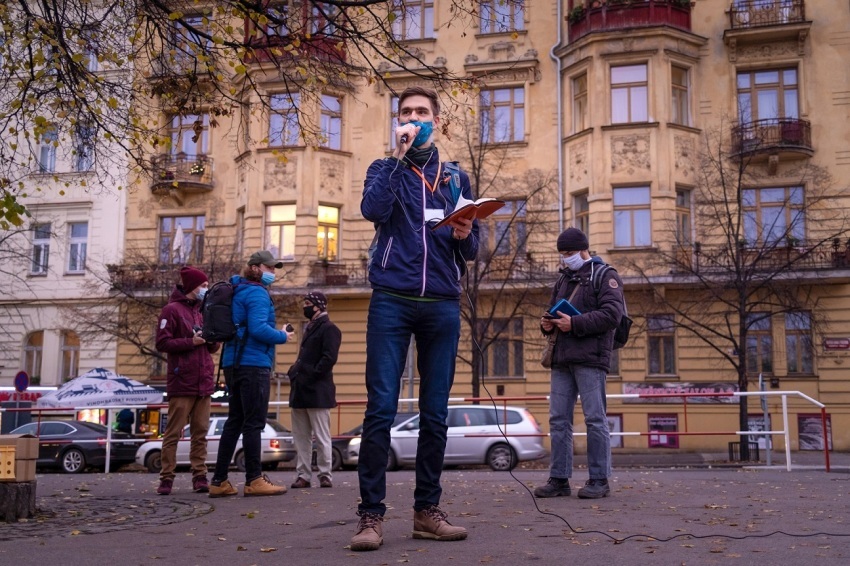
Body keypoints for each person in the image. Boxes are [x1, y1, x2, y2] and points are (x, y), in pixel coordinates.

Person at [352, 86, 477, 552]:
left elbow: (471, 248)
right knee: (381, 408)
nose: (414, 118)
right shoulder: (384, 169)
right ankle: (370, 516)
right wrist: (399, 160)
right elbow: (373, 211)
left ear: (437, 121)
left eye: (422, 112)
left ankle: (427, 511)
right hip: (392, 298)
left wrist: (464, 233)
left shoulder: (454, 178)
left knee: (436, 414)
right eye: (406, 112)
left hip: (442, 302)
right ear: (397, 121)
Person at [534, 227, 624, 500]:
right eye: (562, 254)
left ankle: (599, 479)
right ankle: (559, 479)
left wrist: (574, 323)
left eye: (570, 253)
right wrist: (547, 325)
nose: (566, 258)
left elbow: (612, 315)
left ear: (584, 249)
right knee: (558, 420)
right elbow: (553, 313)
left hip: (590, 359)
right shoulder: (563, 279)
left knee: (595, 419)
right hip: (562, 358)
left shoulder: (605, 275)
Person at [208, 250, 294, 498]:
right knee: (254, 422)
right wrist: (282, 336)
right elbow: (258, 329)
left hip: (233, 363)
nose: (273, 273)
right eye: (269, 268)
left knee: (234, 421)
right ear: (256, 268)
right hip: (253, 364)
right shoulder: (257, 293)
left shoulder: (238, 290)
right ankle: (254, 479)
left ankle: (219, 480)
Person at [154, 266, 220, 495]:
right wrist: (191, 342)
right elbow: (162, 343)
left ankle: (200, 476)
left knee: (200, 432)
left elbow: (212, 346)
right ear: (192, 287)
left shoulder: (205, 310)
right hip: (182, 381)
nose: (206, 289)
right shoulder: (171, 311)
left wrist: (212, 339)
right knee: (173, 432)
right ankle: (166, 478)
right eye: (203, 285)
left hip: (203, 381)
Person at [288, 291, 342, 489]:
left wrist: (306, 373)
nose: (305, 306)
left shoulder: (329, 329)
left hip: (317, 390)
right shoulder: (311, 327)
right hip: (302, 389)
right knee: (301, 436)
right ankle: (303, 475)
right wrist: (294, 372)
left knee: (321, 435)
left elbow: (329, 358)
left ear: (319, 306)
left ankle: (324, 474)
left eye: (308, 303)